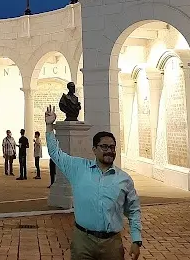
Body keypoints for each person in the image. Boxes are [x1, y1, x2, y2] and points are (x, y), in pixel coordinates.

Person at [45, 105, 142, 260]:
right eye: (104, 146)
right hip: (83, 241)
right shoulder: (78, 169)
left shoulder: (124, 179)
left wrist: (136, 240)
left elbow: (133, 210)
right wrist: (50, 125)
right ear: (94, 149)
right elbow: (55, 153)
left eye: (112, 147)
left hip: (112, 244)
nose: (109, 150)